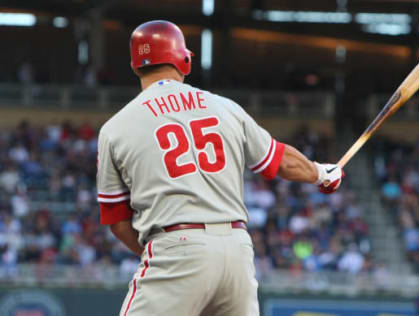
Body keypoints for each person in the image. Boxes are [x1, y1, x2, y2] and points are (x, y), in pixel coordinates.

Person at [96, 20, 344, 316]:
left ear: (136, 66)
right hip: (236, 250)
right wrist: (321, 173)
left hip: (176, 245)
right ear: (183, 59)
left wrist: (165, 253)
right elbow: (281, 161)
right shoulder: (224, 106)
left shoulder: (115, 128)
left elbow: (117, 220)